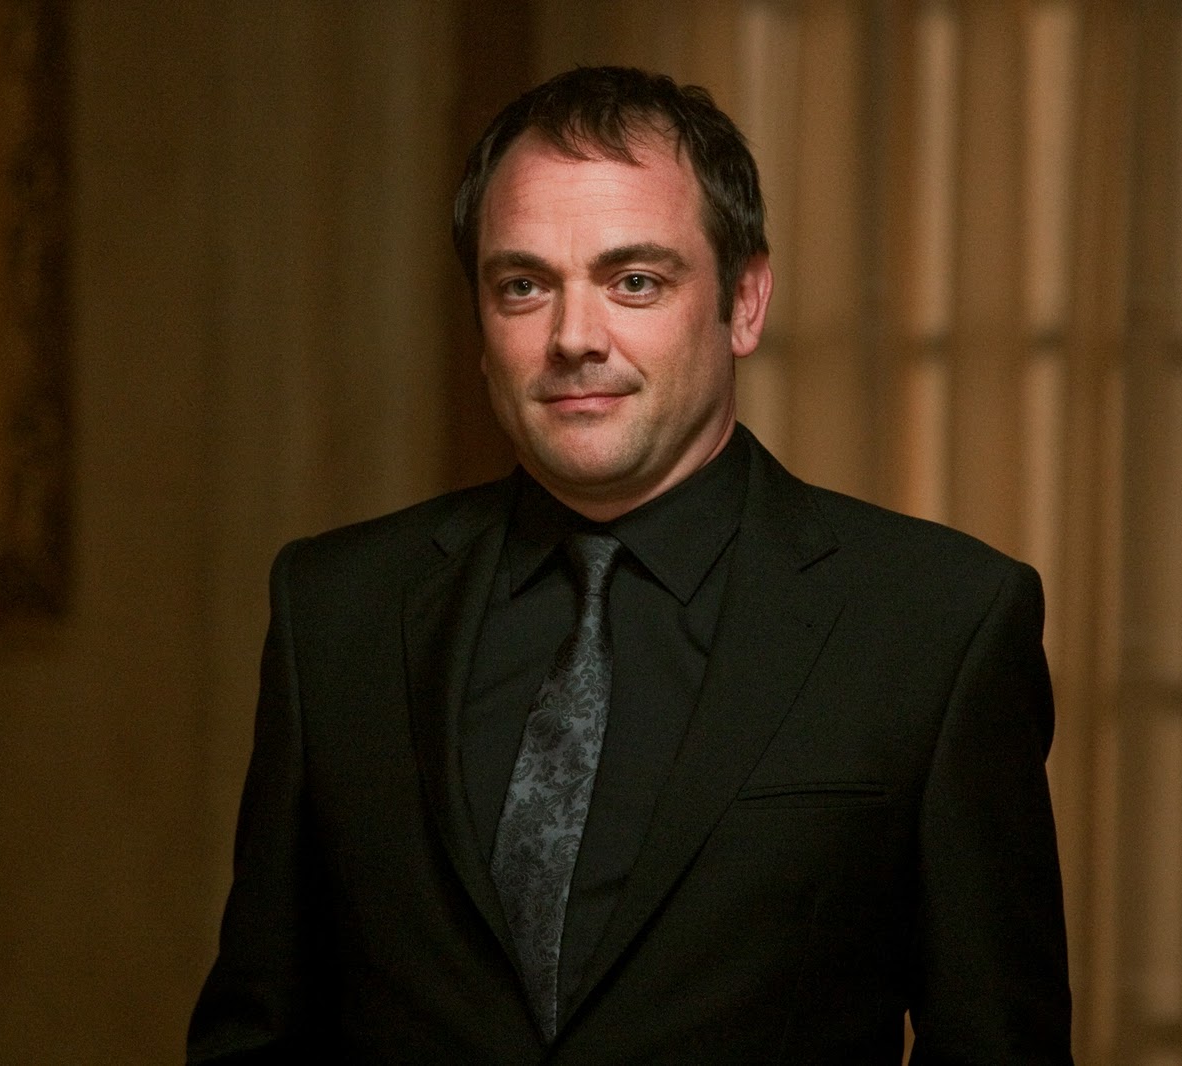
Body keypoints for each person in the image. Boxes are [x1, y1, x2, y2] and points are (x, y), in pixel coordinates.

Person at [188, 65, 1072, 1064]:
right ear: (480, 324)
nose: (573, 338)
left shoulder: (937, 624)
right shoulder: (334, 609)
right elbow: (257, 1033)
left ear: (745, 301)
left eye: (634, 281)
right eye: (524, 286)